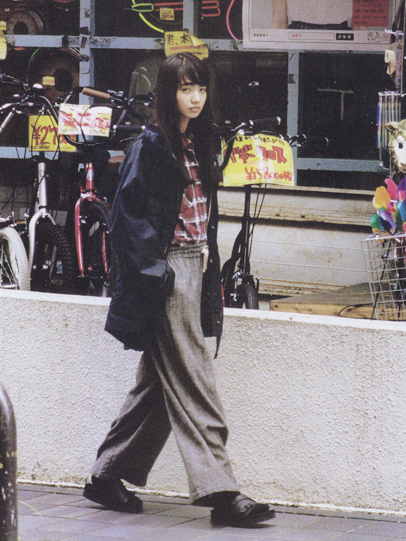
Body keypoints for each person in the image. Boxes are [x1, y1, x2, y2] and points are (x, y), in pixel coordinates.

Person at [83, 52, 275, 527]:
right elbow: (126, 221)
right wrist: (158, 274)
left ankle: (106, 475)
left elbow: (202, 216)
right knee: (195, 378)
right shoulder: (150, 147)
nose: (195, 97)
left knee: (159, 385)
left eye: (201, 88)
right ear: (167, 93)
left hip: (195, 267)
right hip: (167, 271)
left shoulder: (198, 143)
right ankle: (221, 491)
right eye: (185, 88)